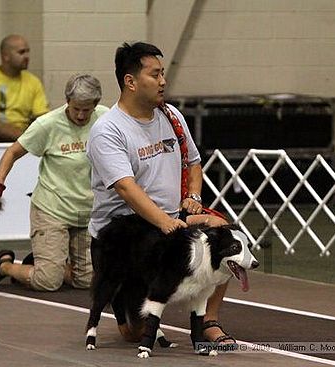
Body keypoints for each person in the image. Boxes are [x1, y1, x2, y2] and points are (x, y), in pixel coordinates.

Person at [86, 41, 235, 345]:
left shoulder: (172, 117)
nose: (163, 81)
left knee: (222, 233)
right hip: (125, 236)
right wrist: (165, 224)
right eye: (155, 75)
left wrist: (193, 198)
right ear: (130, 81)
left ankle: (209, 321)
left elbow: (193, 163)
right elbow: (126, 188)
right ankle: (125, 301)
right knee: (135, 335)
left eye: (163, 74)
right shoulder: (108, 130)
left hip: (171, 221)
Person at [0, 73, 109, 291]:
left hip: (84, 212)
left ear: (95, 105)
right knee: (48, 282)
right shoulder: (47, 125)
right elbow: (13, 152)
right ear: (67, 101)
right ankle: (4, 266)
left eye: (86, 110)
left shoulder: (105, 119)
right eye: (75, 108)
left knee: (87, 281)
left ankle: (47, 263)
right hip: (52, 210)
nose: (80, 115)